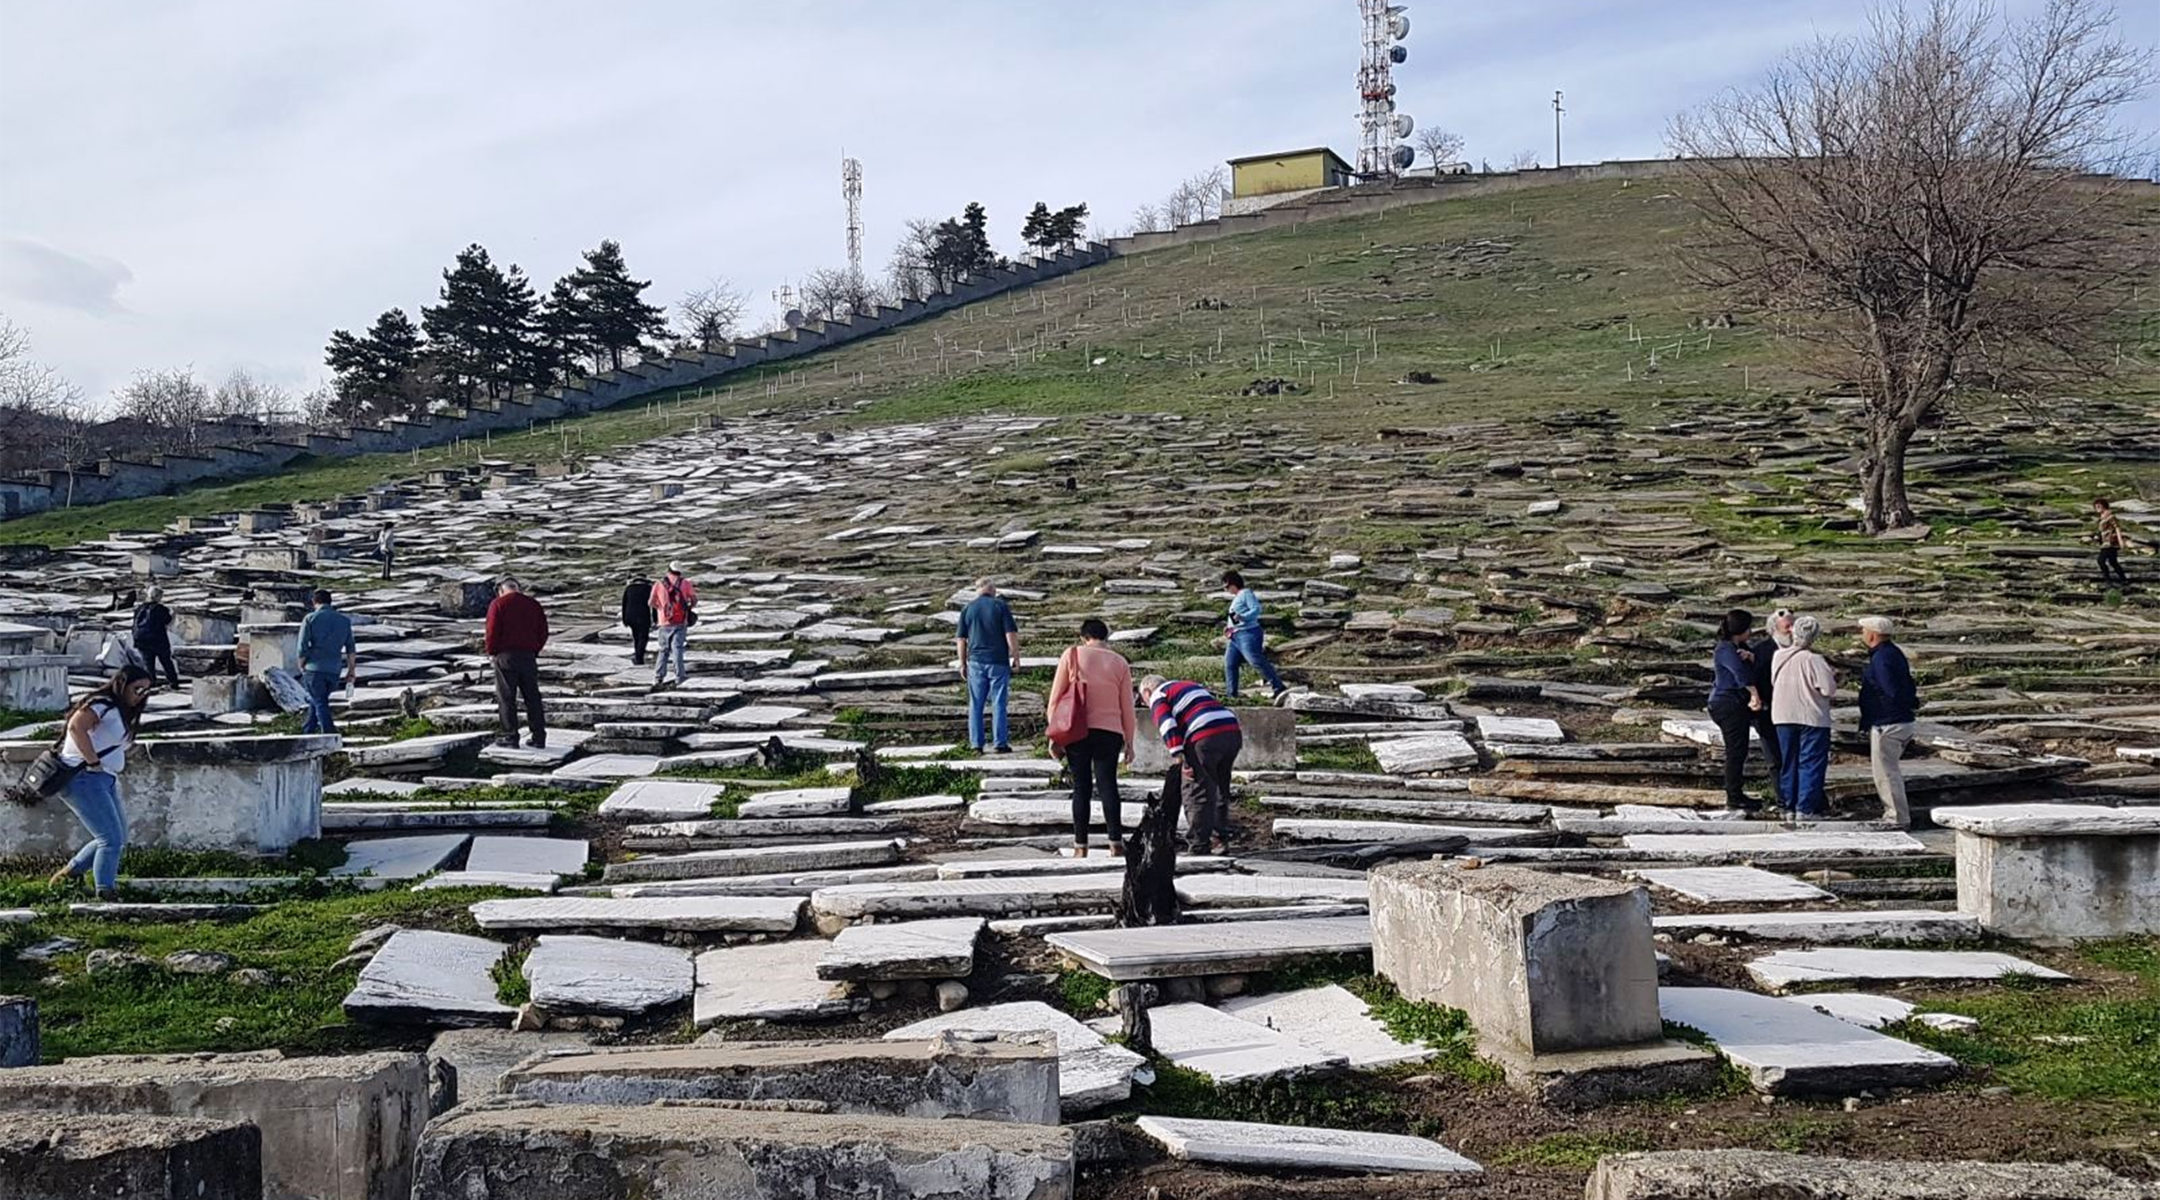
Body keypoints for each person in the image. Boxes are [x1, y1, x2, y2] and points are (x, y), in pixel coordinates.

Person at [45, 666, 155, 900]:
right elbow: (76, 727)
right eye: (137, 689)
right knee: (110, 839)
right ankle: (105, 890)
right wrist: (92, 761)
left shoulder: (120, 711)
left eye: (146, 691)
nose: (141, 695)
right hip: (85, 778)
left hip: (104, 778)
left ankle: (69, 875)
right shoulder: (103, 704)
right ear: (122, 684)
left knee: (117, 837)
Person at [1048, 619, 1135, 858]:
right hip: (1111, 731)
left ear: (1083, 636)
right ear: (1106, 636)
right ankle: (1115, 842)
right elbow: (1127, 706)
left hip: (1078, 730)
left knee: (1081, 787)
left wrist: (1054, 735)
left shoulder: (1072, 654)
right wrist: (1130, 741)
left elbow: (1056, 698)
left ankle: (1080, 846)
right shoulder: (1120, 662)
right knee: (1109, 786)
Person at [1141, 673, 1244, 856]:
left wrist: (1178, 755)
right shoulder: (1190, 686)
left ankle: (1199, 845)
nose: (1146, 705)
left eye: (1143, 700)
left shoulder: (1159, 694)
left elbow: (1167, 724)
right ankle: (1219, 839)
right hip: (1231, 730)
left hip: (1204, 735)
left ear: (1147, 691)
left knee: (1195, 789)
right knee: (1220, 786)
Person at [1770, 615, 1837, 818]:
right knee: (1811, 762)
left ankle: (1788, 805)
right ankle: (1805, 807)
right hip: (1811, 716)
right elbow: (1828, 689)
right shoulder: (1814, 660)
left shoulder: (1778, 656)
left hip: (1783, 715)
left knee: (1788, 761)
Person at [1857, 615, 1919, 828]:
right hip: (1899, 718)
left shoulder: (1882, 659)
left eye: (1863, 630)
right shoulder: (1893, 653)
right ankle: (1896, 814)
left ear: (1873, 635)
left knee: (1886, 772)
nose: (1862, 634)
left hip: (1888, 721)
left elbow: (1889, 689)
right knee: (1888, 770)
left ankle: (1897, 817)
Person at [955, 577, 1020, 753]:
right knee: (998, 702)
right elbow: (1010, 633)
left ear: (977, 590)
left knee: (976, 703)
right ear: (993, 590)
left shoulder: (968, 609)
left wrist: (962, 663)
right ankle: (1000, 742)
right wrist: (1015, 656)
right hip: (998, 660)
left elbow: (961, 639)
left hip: (975, 661)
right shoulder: (1000, 606)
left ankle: (976, 744)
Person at [484, 578, 549, 749]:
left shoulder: (498, 604)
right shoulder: (533, 604)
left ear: (501, 590)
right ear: (518, 588)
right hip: (528, 656)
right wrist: (535, 649)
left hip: (505, 656)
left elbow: (492, 631)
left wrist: (491, 651)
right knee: (532, 697)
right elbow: (543, 631)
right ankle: (539, 736)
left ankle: (510, 736)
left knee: (506, 697)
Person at [1705, 609, 1760, 812]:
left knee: (1740, 749)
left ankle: (1736, 792)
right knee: (1735, 750)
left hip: (1734, 703)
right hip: (1726, 703)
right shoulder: (1725, 649)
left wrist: (1752, 657)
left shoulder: (1738, 647)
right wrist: (1754, 693)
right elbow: (1739, 674)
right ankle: (1733, 795)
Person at [1742, 609, 1790, 809]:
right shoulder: (1761, 651)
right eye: (1788, 627)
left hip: (1790, 712)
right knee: (1774, 759)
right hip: (1767, 713)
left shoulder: (1799, 650)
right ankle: (1782, 798)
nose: (1792, 630)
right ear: (1774, 629)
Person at [294, 588, 356, 736]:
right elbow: (350, 648)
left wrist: (301, 664)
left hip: (314, 667)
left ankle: (329, 733)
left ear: (314, 602)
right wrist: (351, 670)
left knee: (320, 701)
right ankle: (308, 730)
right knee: (318, 700)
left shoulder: (310, 618)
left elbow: (302, 646)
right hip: (334, 669)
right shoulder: (344, 621)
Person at [1221, 570, 1289, 703]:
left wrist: (1243, 617)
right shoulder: (1237, 598)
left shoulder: (1246, 593)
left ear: (1234, 584)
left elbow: (1256, 609)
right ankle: (1231, 694)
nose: (1226, 589)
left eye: (1227, 586)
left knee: (1255, 660)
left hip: (1248, 633)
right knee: (1230, 664)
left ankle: (1278, 686)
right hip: (1235, 636)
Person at [648, 563, 698, 688]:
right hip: (681, 621)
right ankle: (680, 677)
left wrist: (660, 609)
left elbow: (651, 602)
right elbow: (694, 600)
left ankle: (658, 677)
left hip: (664, 622)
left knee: (663, 650)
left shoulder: (659, 584)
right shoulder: (685, 583)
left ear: (668, 570)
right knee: (677, 649)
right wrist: (687, 608)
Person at [131, 586, 180, 689]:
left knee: (148, 663)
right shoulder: (161, 609)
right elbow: (168, 623)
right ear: (158, 597)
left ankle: (150, 683)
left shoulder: (140, 608)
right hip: (158, 640)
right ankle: (173, 682)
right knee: (166, 661)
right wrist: (174, 614)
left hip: (142, 640)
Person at [2095, 498, 2131, 587]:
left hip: (2110, 542)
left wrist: (2120, 541)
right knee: (2113, 562)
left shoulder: (2110, 516)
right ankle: (2123, 579)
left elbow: (2117, 528)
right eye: (2096, 507)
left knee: (2101, 560)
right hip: (2104, 542)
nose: (2097, 508)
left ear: (2104, 506)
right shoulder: (2101, 517)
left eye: (2099, 506)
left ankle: (2108, 580)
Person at [621, 573, 653, 666]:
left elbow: (624, 605)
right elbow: (654, 604)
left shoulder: (629, 589)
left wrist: (624, 619)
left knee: (636, 637)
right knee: (643, 637)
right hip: (643, 616)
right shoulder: (648, 589)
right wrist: (655, 618)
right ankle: (639, 658)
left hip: (630, 616)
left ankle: (637, 655)